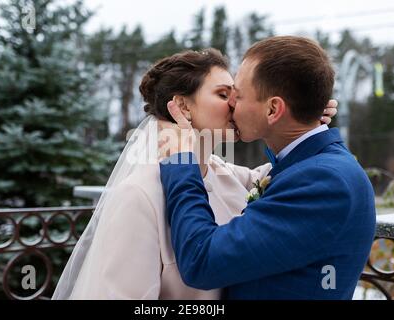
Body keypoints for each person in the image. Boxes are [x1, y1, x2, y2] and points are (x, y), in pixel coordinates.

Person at [52, 48, 337, 299]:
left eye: (237, 95)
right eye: (223, 94)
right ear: (183, 106)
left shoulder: (229, 176)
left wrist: (305, 119)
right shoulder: (138, 196)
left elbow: (286, 174)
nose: (235, 104)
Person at [158, 36, 376, 300]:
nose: (230, 105)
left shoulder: (324, 180)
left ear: (274, 109)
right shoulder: (311, 164)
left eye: (237, 95)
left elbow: (202, 261)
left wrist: (182, 163)